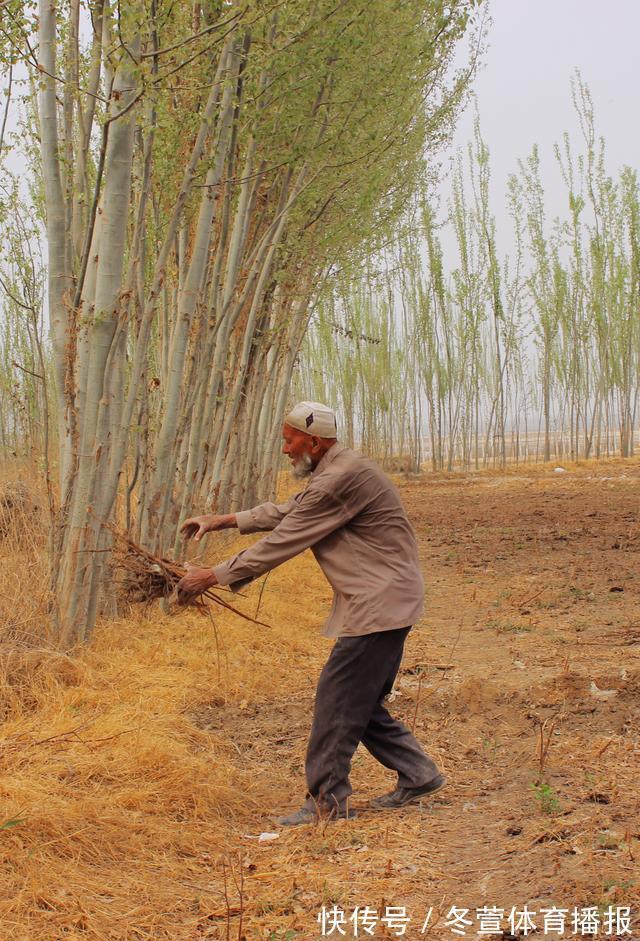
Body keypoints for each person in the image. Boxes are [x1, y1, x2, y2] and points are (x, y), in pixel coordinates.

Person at [177, 401, 445, 826]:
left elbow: (284, 538)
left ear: (314, 441)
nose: (284, 450)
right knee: (361, 699)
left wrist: (212, 575)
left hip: (379, 602)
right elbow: (288, 510)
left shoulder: (338, 479)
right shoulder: (337, 469)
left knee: (338, 699)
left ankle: (328, 800)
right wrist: (223, 520)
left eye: (289, 441)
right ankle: (419, 773)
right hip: (388, 598)